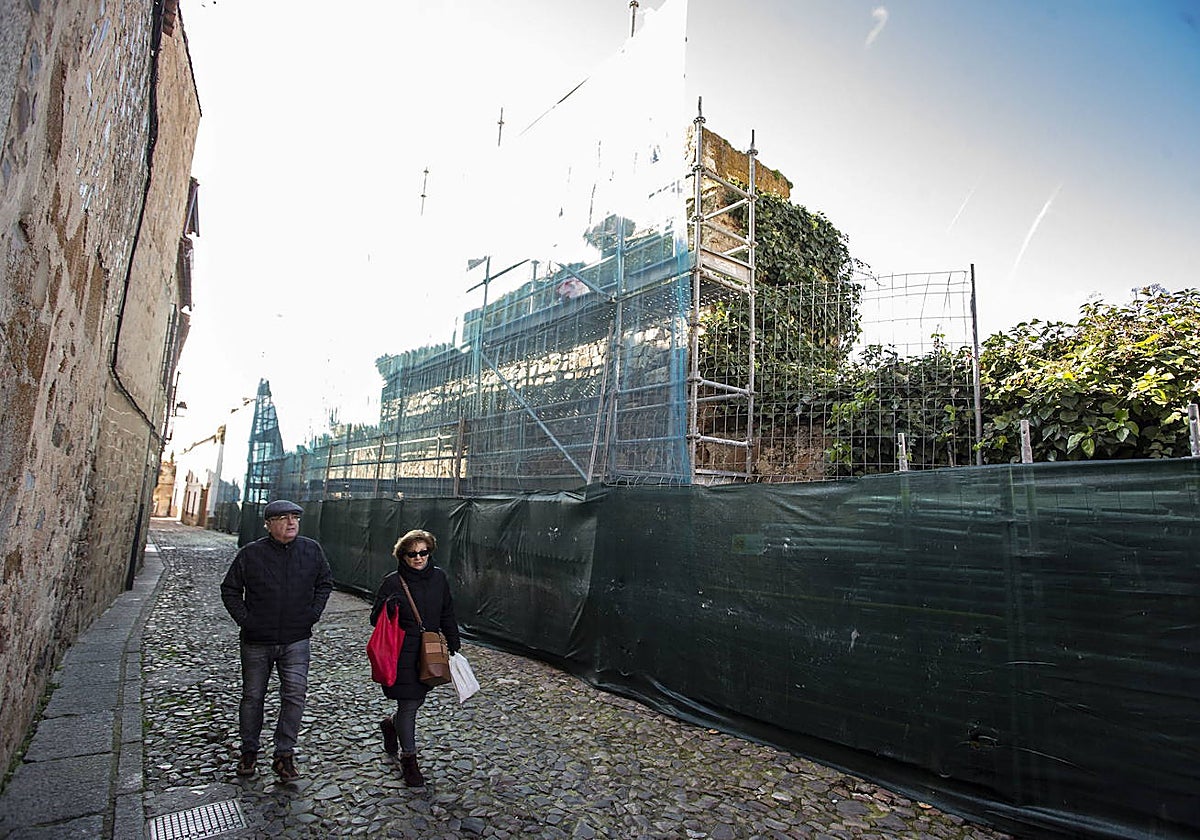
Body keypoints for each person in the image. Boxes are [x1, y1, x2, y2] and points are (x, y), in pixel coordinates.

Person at [220, 499, 333, 782]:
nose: (291, 522)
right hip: (257, 640)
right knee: (253, 697)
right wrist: (247, 620)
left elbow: (324, 583)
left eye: (295, 517)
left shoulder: (311, 550)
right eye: (283, 518)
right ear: (269, 524)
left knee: (294, 695)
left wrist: (312, 614)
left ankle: (284, 754)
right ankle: (249, 750)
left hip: (296, 638)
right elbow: (230, 590)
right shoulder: (251, 554)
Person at [369, 528, 461, 787]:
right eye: (413, 554)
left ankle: (391, 724)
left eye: (424, 552)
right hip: (400, 653)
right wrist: (390, 606)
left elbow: (447, 611)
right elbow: (375, 619)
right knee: (409, 705)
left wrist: (453, 642)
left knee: (415, 702)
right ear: (403, 556)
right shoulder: (392, 582)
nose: (419, 558)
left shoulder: (439, 578)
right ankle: (408, 759)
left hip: (428, 651)